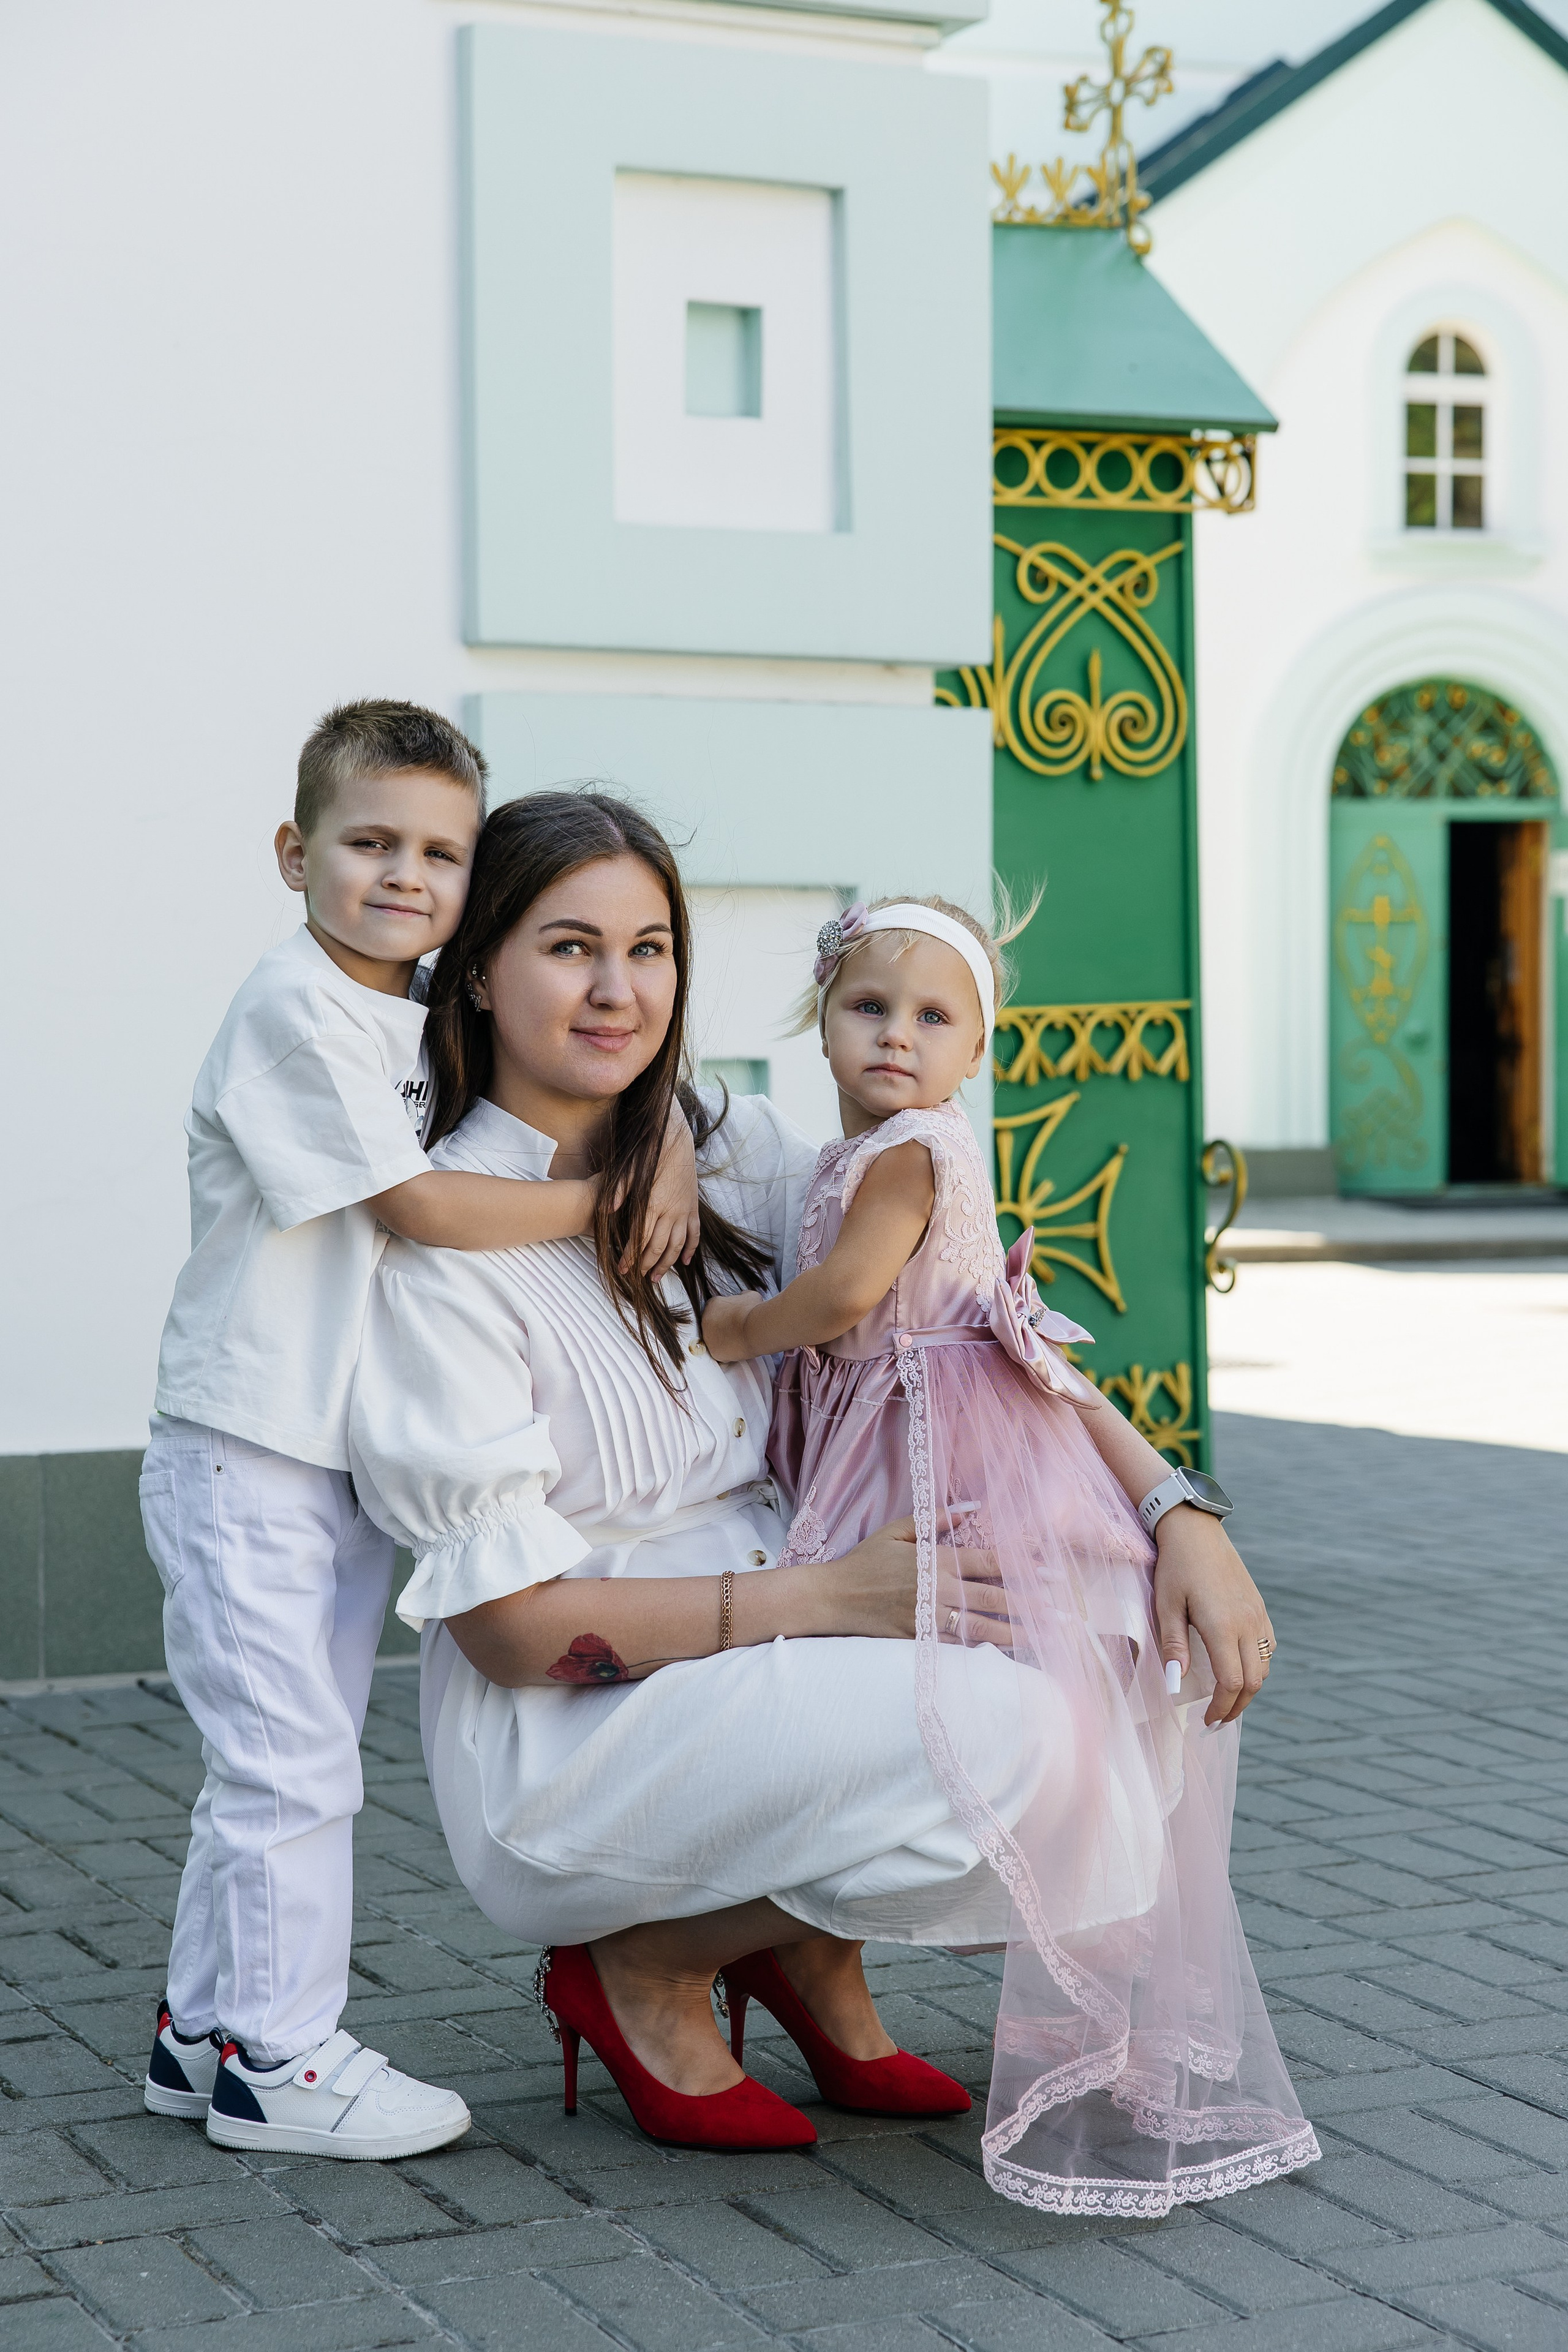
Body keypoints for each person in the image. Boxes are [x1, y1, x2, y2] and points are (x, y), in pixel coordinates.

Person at [347, 794, 1317, 2211]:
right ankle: (650, 1959)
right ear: (481, 967)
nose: (618, 991)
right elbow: (506, 1634)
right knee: (1012, 1733)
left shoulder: (724, 1150)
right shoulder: (442, 1252)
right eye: (568, 947)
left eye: (651, 948)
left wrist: (1178, 1514)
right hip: (577, 1728)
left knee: (1110, 1667)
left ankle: (798, 1943)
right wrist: (833, 1597)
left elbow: (977, 1315)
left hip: (800, 1620)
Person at [701, 894, 1319, 2209]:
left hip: (933, 1438)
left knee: (944, 1670)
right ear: (818, 1023)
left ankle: (832, 1933)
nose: (895, 1037)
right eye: (868, 1007)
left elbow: (848, 1302)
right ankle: (803, 1943)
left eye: (934, 1019)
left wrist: (742, 1327)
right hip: (915, 1414)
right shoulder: (852, 1152)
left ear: (975, 1054)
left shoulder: (909, 1156)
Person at [140, 704, 696, 2160]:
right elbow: (421, 1207)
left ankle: (200, 2034)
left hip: (318, 1456)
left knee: (277, 1756)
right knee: (290, 1769)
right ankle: (278, 2059)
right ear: (292, 851)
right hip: (243, 1444)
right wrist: (607, 1207)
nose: (406, 876)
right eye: (369, 842)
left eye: (441, 852)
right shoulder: (293, 1011)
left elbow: (598, 1037)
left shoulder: (400, 1003)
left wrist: (657, 1138)